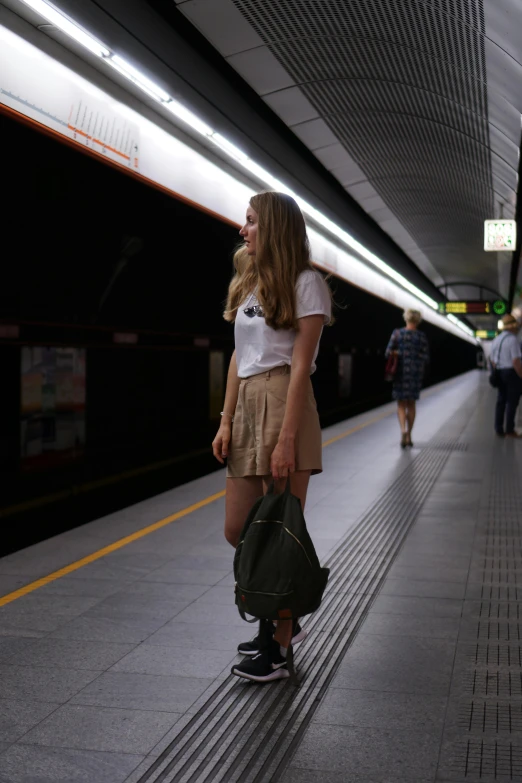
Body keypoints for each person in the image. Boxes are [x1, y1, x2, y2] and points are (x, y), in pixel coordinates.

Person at [212, 191, 332, 683]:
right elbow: (240, 357)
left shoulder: (308, 285)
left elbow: (301, 364)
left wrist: (287, 439)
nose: (244, 230)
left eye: (251, 221)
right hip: (248, 401)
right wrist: (225, 419)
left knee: (279, 529)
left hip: (287, 399)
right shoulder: (251, 285)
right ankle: (285, 617)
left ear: (275, 227)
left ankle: (276, 647)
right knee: (238, 527)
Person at [385, 309, 429, 448]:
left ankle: (403, 430)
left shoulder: (398, 333)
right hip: (415, 375)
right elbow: (426, 357)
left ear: (406, 318)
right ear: (418, 320)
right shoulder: (421, 336)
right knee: (411, 405)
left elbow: (387, 353)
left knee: (401, 405)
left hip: (400, 374)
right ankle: (409, 434)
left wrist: (399, 353)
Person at [489, 313, 522, 438]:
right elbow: (516, 361)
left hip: (499, 372)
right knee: (512, 402)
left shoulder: (496, 340)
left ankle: (498, 428)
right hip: (511, 373)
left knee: (501, 401)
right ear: (512, 327)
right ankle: (509, 430)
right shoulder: (513, 340)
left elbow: (492, 360)